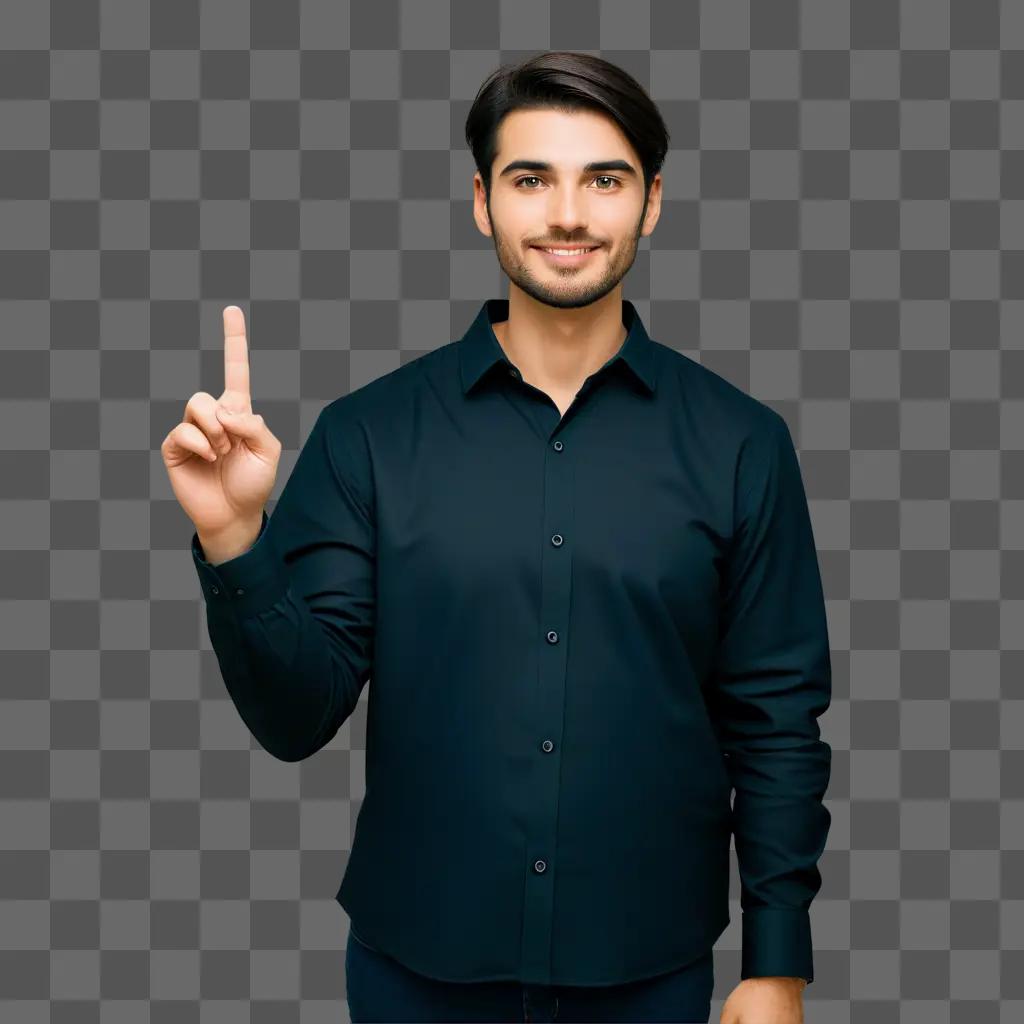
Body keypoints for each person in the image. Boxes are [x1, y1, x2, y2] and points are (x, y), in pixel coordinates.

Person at [162, 50, 829, 1024]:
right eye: (531, 178)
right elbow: (297, 715)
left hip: (649, 970)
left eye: (603, 179)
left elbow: (775, 719)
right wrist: (233, 539)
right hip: (413, 971)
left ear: (650, 202)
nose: (567, 213)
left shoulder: (741, 444)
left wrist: (777, 965)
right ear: (482, 202)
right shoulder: (370, 435)